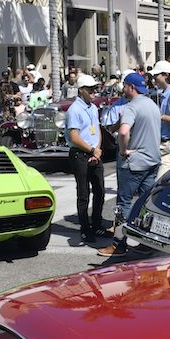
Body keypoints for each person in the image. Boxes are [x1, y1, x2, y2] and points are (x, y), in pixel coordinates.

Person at [98, 72, 161, 257]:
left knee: (123, 204)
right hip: (153, 160)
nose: (123, 89)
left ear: (131, 87)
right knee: (146, 204)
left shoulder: (131, 107)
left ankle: (118, 245)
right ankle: (146, 242)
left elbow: (124, 132)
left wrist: (124, 150)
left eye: (125, 86)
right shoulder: (152, 105)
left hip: (134, 163)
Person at [65, 74, 108, 243]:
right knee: (83, 194)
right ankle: (85, 228)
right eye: (90, 89)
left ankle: (96, 224)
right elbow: (74, 137)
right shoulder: (74, 110)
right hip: (80, 154)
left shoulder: (92, 107)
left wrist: (96, 149)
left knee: (100, 191)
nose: (93, 92)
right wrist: (91, 150)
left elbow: (96, 130)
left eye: (95, 89)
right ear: (81, 90)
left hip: (93, 152)